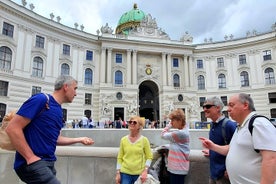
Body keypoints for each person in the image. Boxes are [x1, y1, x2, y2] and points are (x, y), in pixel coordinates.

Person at [6, 75, 95, 184]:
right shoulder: (41, 99)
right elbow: (12, 128)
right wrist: (30, 157)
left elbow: (54, 139)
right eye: (75, 88)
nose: (76, 93)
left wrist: (79, 140)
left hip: (48, 163)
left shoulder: (58, 110)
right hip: (32, 163)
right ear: (66, 87)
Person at [199, 93, 276, 184]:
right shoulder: (241, 126)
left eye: (231, 105)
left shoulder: (259, 123)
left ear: (245, 105)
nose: (228, 109)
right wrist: (213, 147)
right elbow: (231, 148)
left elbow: (271, 159)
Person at [202, 96, 237, 184]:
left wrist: (230, 169)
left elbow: (238, 150)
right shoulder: (213, 124)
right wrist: (212, 152)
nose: (205, 109)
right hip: (213, 174)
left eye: (208, 106)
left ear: (218, 108)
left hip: (224, 176)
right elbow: (219, 146)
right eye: (204, 107)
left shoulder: (229, 125)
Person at [115, 115, 153, 184]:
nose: (132, 123)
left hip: (139, 173)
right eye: (130, 122)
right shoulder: (123, 140)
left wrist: (145, 170)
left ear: (139, 126)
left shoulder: (144, 140)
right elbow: (120, 157)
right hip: (125, 173)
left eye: (134, 122)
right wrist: (118, 173)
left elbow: (149, 157)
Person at [161, 108, 190, 184]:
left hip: (177, 169)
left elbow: (163, 135)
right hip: (178, 168)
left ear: (179, 121)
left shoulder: (180, 133)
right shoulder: (185, 130)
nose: (172, 123)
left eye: (172, 121)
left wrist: (169, 126)